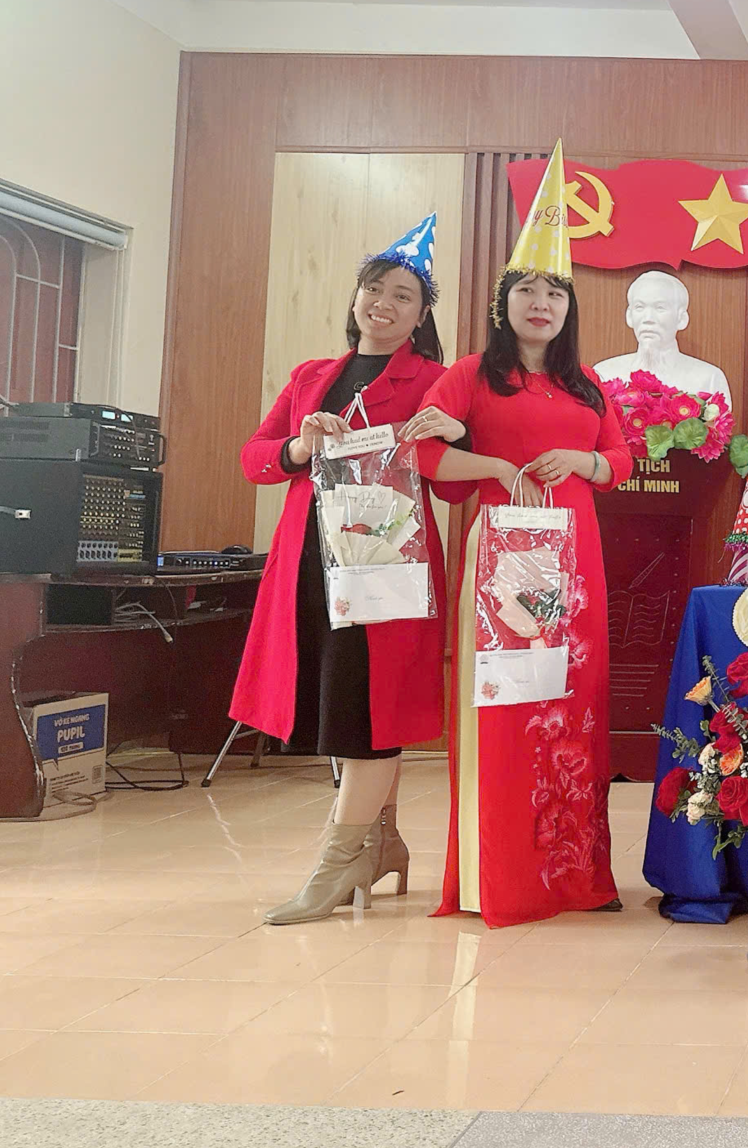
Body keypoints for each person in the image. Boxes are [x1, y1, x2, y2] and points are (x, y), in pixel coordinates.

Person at [409, 160, 634, 927]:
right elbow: (425, 455)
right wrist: (498, 465)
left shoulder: (586, 384)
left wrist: (583, 461)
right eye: (529, 291)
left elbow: (621, 459)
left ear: (569, 308)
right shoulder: (471, 375)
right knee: (510, 703)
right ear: (503, 304)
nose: (542, 304)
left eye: (556, 293)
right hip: (507, 559)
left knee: (573, 703)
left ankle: (576, 876)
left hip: (577, 560)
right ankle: (501, 878)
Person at [231, 214, 462, 925]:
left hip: (387, 564)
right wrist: (299, 448)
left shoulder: (437, 381)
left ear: (421, 317)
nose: (383, 304)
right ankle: (381, 844)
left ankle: (336, 865)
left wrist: (449, 434)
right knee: (342, 699)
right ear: (356, 297)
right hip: (310, 558)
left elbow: (453, 482)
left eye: (402, 296)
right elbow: (255, 458)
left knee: (371, 708)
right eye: (374, 290)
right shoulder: (311, 377)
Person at [592, 268, 734, 410]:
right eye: (640, 307)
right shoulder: (604, 374)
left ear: (681, 319)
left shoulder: (709, 379)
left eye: (660, 308)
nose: (648, 318)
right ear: (629, 316)